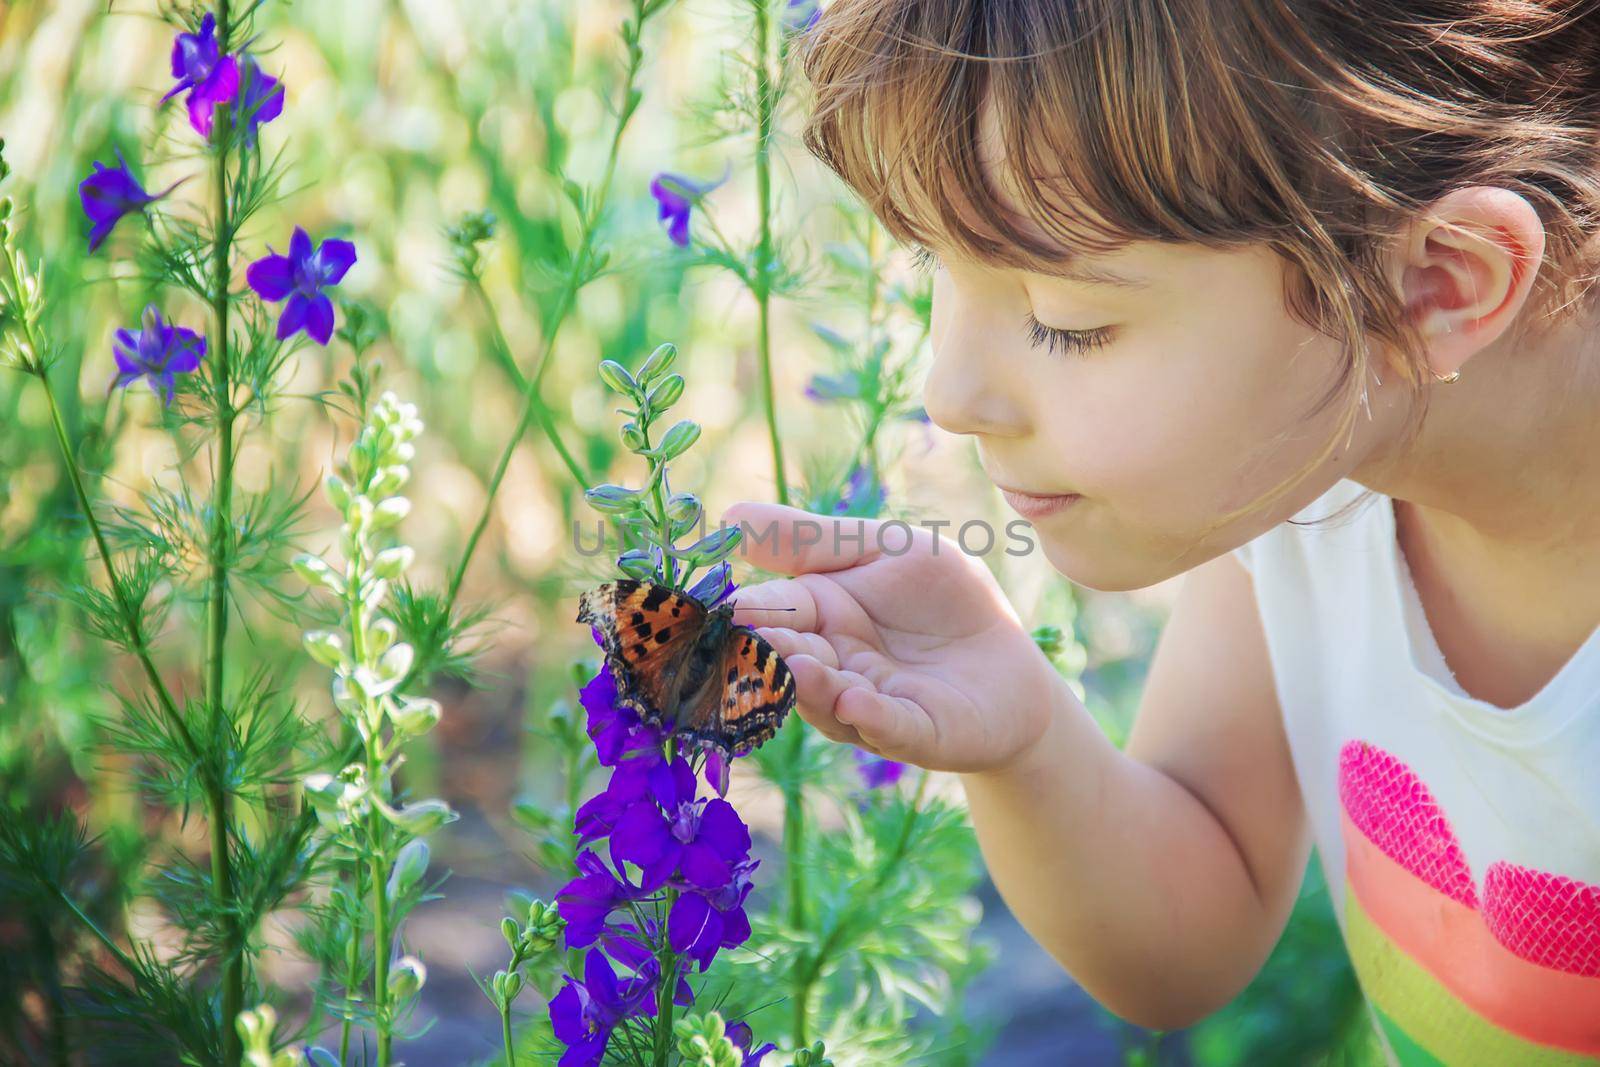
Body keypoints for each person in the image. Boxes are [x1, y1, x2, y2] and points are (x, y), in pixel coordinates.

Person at [721, 2, 1600, 1063]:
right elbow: (1186, 935)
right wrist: (1030, 740)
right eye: (933, 268)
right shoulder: (1323, 467)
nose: (946, 392)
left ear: (1435, 283)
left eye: (1065, 318)